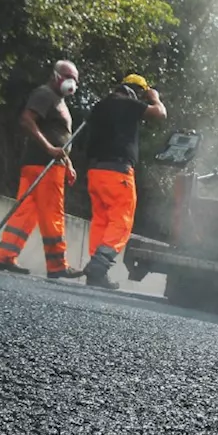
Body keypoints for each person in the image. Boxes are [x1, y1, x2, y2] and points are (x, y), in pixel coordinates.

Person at [0, 60, 85, 279]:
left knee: (25, 213)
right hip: (44, 165)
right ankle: (57, 265)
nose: (71, 83)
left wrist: (68, 164)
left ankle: (4, 256)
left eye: (74, 80)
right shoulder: (44, 94)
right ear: (55, 76)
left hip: (44, 163)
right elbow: (27, 120)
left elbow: (61, 141)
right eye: (67, 77)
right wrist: (49, 148)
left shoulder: (59, 101)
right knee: (53, 214)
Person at [81, 74, 167, 289]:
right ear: (137, 91)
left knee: (101, 220)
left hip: (95, 172)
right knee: (121, 222)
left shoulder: (100, 106)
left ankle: (96, 273)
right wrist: (154, 97)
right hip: (117, 172)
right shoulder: (127, 104)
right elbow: (160, 113)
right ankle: (99, 266)